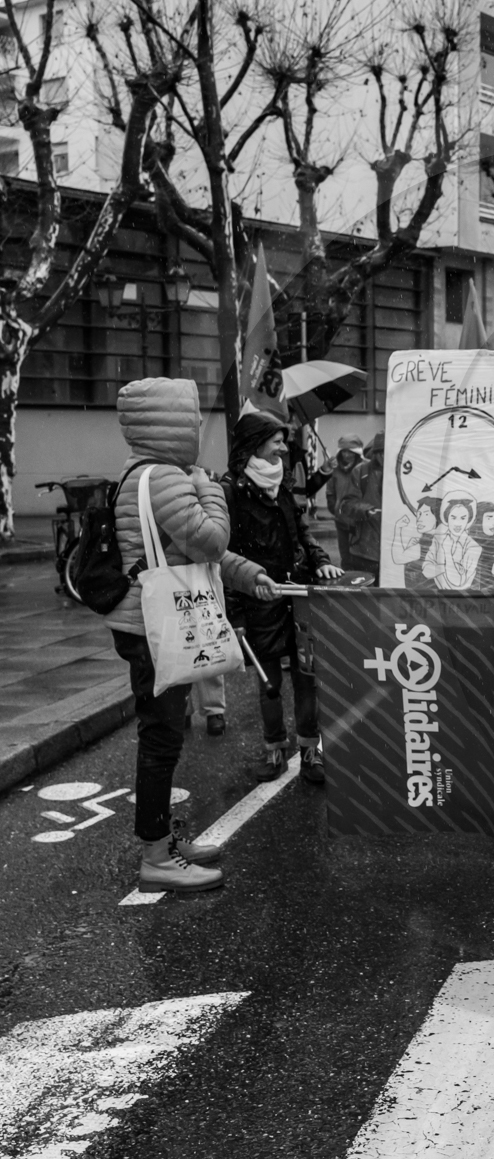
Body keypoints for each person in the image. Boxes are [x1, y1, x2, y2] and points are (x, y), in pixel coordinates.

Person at [105, 377, 273, 893]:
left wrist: (248, 575)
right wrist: (209, 487)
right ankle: (156, 856)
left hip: (145, 623)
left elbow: (204, 555)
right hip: (158, 630)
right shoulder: (168, 478)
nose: (200, 426)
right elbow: (210, 539)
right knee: (161, 741)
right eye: (196, 418)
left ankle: (165, 842)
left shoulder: (145, 473)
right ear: (178, 421)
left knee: (166, 737)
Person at [222, 413, 343, 785]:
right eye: (275, 441)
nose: (282, 447)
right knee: (269, 683)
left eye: (282, 440)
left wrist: (320, 562)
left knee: (308, 678)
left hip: (299, 597)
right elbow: (225, 557)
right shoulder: (231, 492)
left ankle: (310, 750)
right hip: (260, 602)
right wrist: (236, 613)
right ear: (255, 444)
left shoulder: (284, 485)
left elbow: (302, 534)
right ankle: (274, 750)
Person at [340, 431, 384, 581]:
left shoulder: (406, 473)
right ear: (376, 453)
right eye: (381, 453)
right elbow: (346, 504)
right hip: (365, 550)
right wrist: (367, 510)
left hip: (395, 553)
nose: (385, 457)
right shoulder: (361, 471)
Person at [423, 495, 483, 589]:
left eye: (463, 518)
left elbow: (457, 582)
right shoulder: (439, 539)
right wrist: (446, 567)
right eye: (453, 517)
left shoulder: (474, 548)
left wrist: (447, 553)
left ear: (468, 520)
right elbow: (426, 571)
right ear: (447, 519)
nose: (457, 523)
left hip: (465, 598)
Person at [324, 434, 364, 569]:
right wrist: (334, 508)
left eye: (350, 451)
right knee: (345, 559)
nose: (347, 455)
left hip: (360, 522)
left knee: (360, 558)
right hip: (341, 521)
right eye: (344, 451)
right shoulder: (335, 468)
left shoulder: (365, 467)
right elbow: (330, 491)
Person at [391, 495, 442, 589]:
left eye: (426, 514)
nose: (420, 519)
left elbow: (397, 558)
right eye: (419, 514)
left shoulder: (426, 544)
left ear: (437, 517)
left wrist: (398, 528)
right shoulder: (441, 539)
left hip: (421, 598)